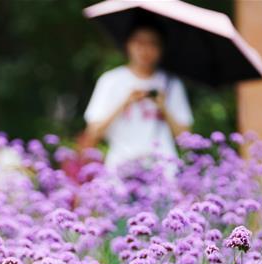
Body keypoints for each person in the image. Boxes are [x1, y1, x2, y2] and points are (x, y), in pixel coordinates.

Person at [81, 17, 193, 172]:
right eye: (139, 42)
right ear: (128, 44)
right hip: (121, 169)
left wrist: (163, 107)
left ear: (161, 49)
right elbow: (93, 133)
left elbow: (186, 138)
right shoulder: (111, 81)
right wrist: (125, 102)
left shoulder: (171, 83)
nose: (145, 49)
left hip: (162, 171)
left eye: (152, 43)